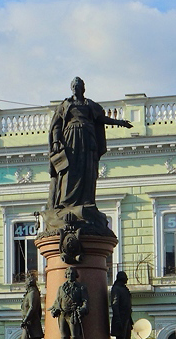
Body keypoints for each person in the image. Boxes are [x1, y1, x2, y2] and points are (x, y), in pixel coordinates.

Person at [46, 76, 133, 228]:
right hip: (70, 140)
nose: (75, 88)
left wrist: (119, 123)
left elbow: (101, 119)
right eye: (73, 85)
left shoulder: (89, 104)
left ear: (83, 88)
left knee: (87, 170)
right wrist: (55, 142)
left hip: (87, 140)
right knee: (70, 170)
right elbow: (57, 126)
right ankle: (66, 202)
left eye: (78, 85)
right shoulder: (65, 104)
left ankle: (86, 201)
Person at [49, 267, 89, 339]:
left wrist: (83, 309)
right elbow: (57, 301)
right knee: (64, 338)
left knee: (75, 337)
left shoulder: (80, 288)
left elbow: (85, 302)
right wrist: (55, 309)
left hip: (73, 314)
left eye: (72, 273)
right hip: (63, 315)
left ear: (76, 275)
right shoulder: (61, 288)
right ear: (66, 275)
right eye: (68, 273)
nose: (70, 275)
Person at [20, 271, 44, 339]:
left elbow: (32, 307)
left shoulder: (33, 293)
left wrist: (25, 320)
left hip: (30, 323)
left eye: (26, 282)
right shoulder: (31, 293)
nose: (25, 283)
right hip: (30, 322)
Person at [110, 271, 133, 339]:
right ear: (121, 278)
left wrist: (130, 320)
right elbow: (115, 304)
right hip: (120, 319)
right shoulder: (116, 288)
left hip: (127, 318)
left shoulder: (124, 289)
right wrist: (118, 319)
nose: (127, 279)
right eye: (125, 277)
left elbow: (128, 306)